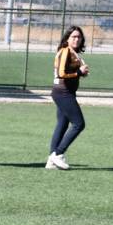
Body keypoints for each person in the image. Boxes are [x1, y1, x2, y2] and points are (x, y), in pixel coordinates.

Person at [46, 26, 90, 170]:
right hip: (63, 93)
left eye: (79, 37)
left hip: (66, 92)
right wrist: (79, 72)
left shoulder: (73, 53)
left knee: (62, 124)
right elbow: (61, 73)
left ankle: (51, 160)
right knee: (79, 124)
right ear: (67, 38)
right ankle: (58, 154)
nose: (76, 39)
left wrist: (81, 73)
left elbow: (71, 73)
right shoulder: (65, 51)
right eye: (73, 37)